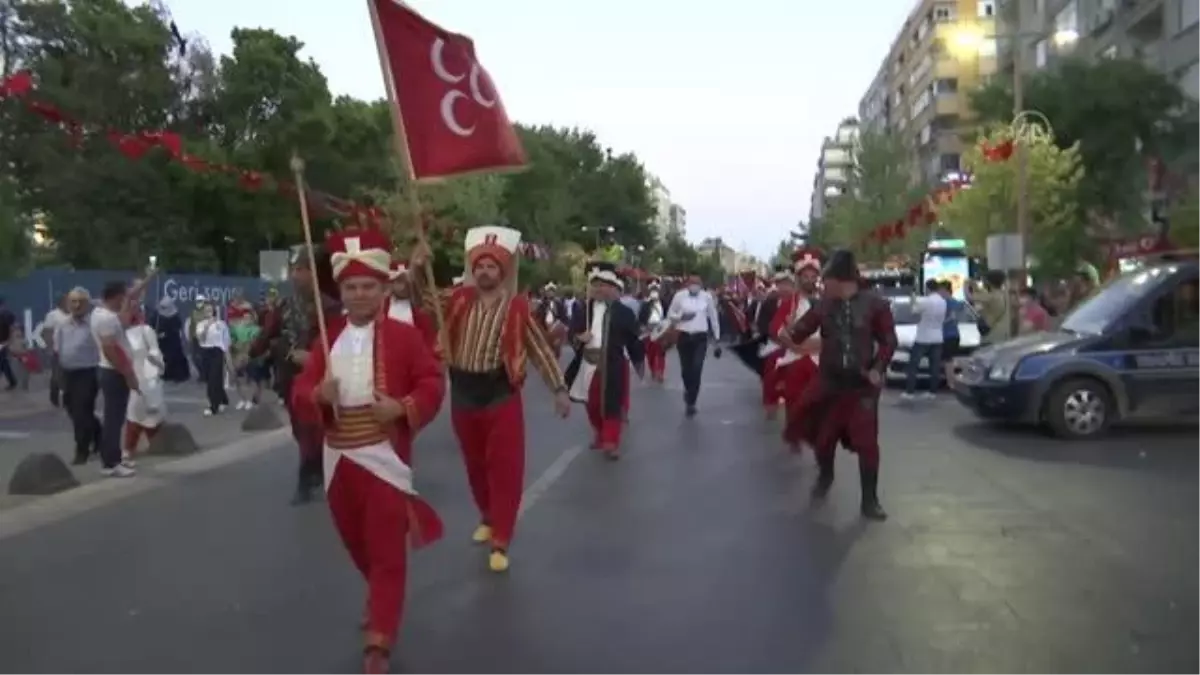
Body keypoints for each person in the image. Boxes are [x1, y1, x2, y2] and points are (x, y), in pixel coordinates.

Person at [290, 225, 445, 675]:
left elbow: (433, 382)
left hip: (384, 454)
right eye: (351, 287)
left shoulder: (404, 337)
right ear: (341, 290)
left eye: (368, 287)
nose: (359, 295)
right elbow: (302, 391)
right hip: (338, 457)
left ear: (382, 289)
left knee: (385, 552)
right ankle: (380, 597)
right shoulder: (326, 335)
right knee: (357, 545)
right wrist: (317, 395)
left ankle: (379, 639)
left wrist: (403, 406)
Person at [409, 225, 570, 574]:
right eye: (479, 266)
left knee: (504, 468)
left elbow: (539, 350)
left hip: (500, 393)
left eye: (491, 267)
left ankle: (501, 538)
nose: (484, 272)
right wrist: (418, 268)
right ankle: (486, 515)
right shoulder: (459, 299)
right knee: (474, 464)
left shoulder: (517, 307)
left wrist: (559, 389)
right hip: (464, 392)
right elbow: (424, 300)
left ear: (503, 272)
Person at [786, 249, 896, 520]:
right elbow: (799, 333)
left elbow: (889, 341)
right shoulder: (823, 305)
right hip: (829, 382)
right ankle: (826, 475)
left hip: (861, 387)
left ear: (842, 280)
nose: (824, 285)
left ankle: (870, 500)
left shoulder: (875, 305)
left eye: (828, 280)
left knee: (867, 443)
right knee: (823, 439)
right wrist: (791, 329)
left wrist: (878, 368)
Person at [251, 247, 341, 505]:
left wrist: (315, 357)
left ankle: (308, 475)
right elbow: (269, 333)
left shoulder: (330, 307)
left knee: (316, 426)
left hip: (321, 377)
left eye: (301, 270)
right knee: (300, 429)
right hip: (290, 375)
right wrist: (252, 352)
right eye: (293, 270)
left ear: (313, 272)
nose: (295, 275)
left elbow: (337, 341)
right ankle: (314, 467)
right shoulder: (285, 305)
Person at [565, 261, 646, 458]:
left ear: (614, 289)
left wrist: (638, 361)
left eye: (604, 285)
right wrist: (578, 338)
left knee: (611, 403)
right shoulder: (584, 310)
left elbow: (633, 340)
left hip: (611, 364)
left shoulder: (624, 313)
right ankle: (600, 433)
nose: (599, 289)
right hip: (587, 363)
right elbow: (572, 333)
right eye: (597, 285)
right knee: (591, 404)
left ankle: (611, 441)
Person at [778, 248, 824, 451]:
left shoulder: (828, 303)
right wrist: (795, 345)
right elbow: (778, 330)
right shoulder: (789, 303)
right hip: (795, 358)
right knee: (794, 399)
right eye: (805, 276)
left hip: (819, 359)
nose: (809, 280)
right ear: (798, 278)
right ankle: (794, 432)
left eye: (813, 276)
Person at [91, 281, 139, 477]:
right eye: (123, 297)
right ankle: (110, 463)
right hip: (113, 372)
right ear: (116, 296)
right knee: (114, 418)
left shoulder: (100, 314)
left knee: (115, 418)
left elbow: (124, 322)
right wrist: (127, 373)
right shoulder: (106, 319)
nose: (125, 300)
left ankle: (114, 459)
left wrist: (147, 280)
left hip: (110, 370)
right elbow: (110, 349)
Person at [55, 288, 103, 465]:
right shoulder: (62, 325)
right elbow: (58, 351)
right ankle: (98, 433)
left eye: (80, 302)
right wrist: (56, 379)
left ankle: (82, 449)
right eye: (73, 301)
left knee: (82, 410)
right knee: (74, 411)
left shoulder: (94, 325)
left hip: (88, 372)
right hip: (68, 373)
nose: (76, 305)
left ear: (87, 304)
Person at [667, 274, 721, 417]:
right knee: (686, 369)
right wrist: (680, 317)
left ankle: (691, 401)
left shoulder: (707, 297)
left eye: (697, 283)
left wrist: (716, 338)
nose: (694, 286)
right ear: (687, 284)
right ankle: (688, 389)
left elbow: (713, 317)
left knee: (697, 368)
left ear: (701, 285)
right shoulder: (679, 296)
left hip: (700, 337)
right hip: (684, 336)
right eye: (692, 283)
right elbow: (670, 314)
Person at [123, 304, 166, 464]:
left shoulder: (146, 330)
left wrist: (154, 372)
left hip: (147, 376)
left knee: (151, 412)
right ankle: (129, 447)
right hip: (130, 375)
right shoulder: (122, 332)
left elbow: (154, 352)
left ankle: (156, 443)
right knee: (133, 412)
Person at [902, 278, 947, 401]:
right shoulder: (943, 302)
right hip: (938, 337)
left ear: (927, 288)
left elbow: (913, 311)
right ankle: (932, 392)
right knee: (934, 367)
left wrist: (912, 299)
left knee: (913, 365)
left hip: (923, 337)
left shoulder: (927, 301)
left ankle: (910, 392)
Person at [387, 259, 438, 353]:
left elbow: (429, 344)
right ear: (391, 283)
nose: (405, 285)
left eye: (407, 281)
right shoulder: (381, 309)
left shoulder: (421, 311)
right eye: (400, 281)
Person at [194, 303, 231, 415]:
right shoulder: (201, 324)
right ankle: (223, 398)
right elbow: (201, 338)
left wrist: (228, 357)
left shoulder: (221, 324)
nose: (208, 312)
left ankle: (213, 406)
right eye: (206, 310)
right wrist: (207, 327)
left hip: (217, 351)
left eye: (210, 310)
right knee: (209, 378)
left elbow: (226, 341)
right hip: (206, 351)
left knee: (214, 378)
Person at [151, 298, 190, 383]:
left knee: (175, 357)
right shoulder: (157, 316)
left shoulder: (174, 316)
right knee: (165, 358)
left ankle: (180, 375)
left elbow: (177, 327)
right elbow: (153, 325)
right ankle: (167, 374)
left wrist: (166, 333)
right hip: (162, 342)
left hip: (173, 340)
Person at [42, 294, 70, 407]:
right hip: (57, 350)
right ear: (61, 303)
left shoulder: (74, 314)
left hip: (72, 351)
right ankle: (54, 397)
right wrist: (50, 347)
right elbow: (47, 332)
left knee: (69, 376)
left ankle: (68, 399)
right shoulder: (53, 315)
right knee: (57, 376)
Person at [637, 282, 668, 382]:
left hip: (661, 330)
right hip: (648, 331)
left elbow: (668, 316)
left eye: (656, 290)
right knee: (650, 352)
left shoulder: (664, 303)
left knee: (661, 352)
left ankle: (660, 372)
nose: (654, 292)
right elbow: (641, 318)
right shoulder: (645, 304)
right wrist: (643, 327)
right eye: (653, 290)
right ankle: (653, 369)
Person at [938, 280, 963, 387]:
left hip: (949, 334)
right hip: (951, 334)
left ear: (945, 290)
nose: (939, 293)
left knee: (948, 360)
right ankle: (951, 379)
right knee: (946, 360)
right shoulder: (955, 302)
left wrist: (940, 323)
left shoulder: (950, 302)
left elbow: (953, 317)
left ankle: (951, 383)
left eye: (940, 290)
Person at [0, 296, 16, 390]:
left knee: (3, 362)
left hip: (2, 341)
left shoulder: (4, 313)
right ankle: (12, 381)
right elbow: (12, 326)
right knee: (3, 362)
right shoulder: (7, 313)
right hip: (4, 340)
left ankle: (12, 381)